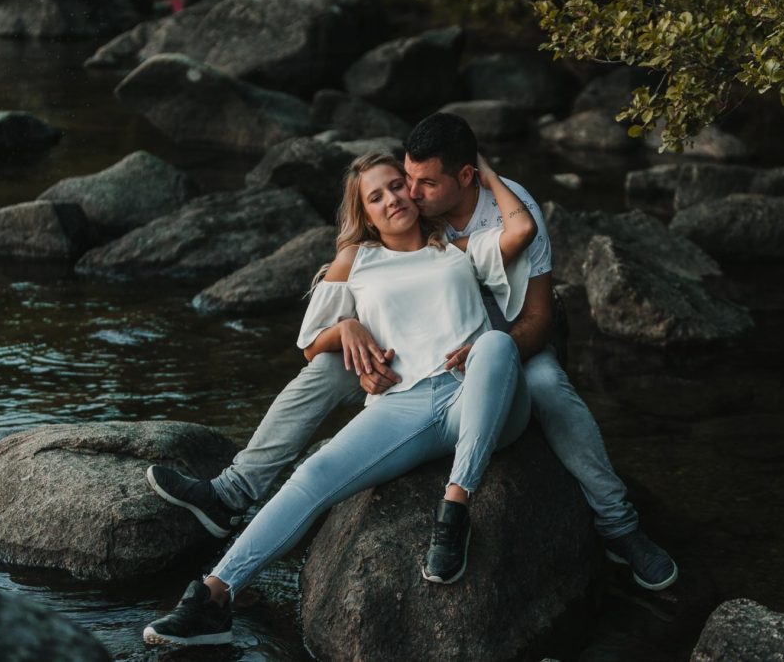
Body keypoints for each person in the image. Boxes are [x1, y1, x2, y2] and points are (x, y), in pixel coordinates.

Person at [148, 113, 677, 596]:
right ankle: (236, 491)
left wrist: (489, 355)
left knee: (544, 385)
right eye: (400, 182)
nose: (409, 195)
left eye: (420, 184)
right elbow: (314, 339)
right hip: (416, 361)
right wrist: (350, 326)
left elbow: (536, 318)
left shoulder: (492, 215)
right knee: (332, 363)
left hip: (509, 333)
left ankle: (618, 525)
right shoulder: (386, 239)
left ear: (464, 177)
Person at [143, 151, 537, 646]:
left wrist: (483, 171)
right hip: (405, 402)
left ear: (414, 189)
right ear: (365, 213)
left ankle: (455, 509)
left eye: (397, 185)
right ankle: (214, 597)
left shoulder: (456, 245)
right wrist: (347, 324)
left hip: (480, 395)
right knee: (312, 475)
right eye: (376, 196)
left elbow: (521, 229)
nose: (392, 198)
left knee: (497, 344)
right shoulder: (358, 260)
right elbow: (311, 344)